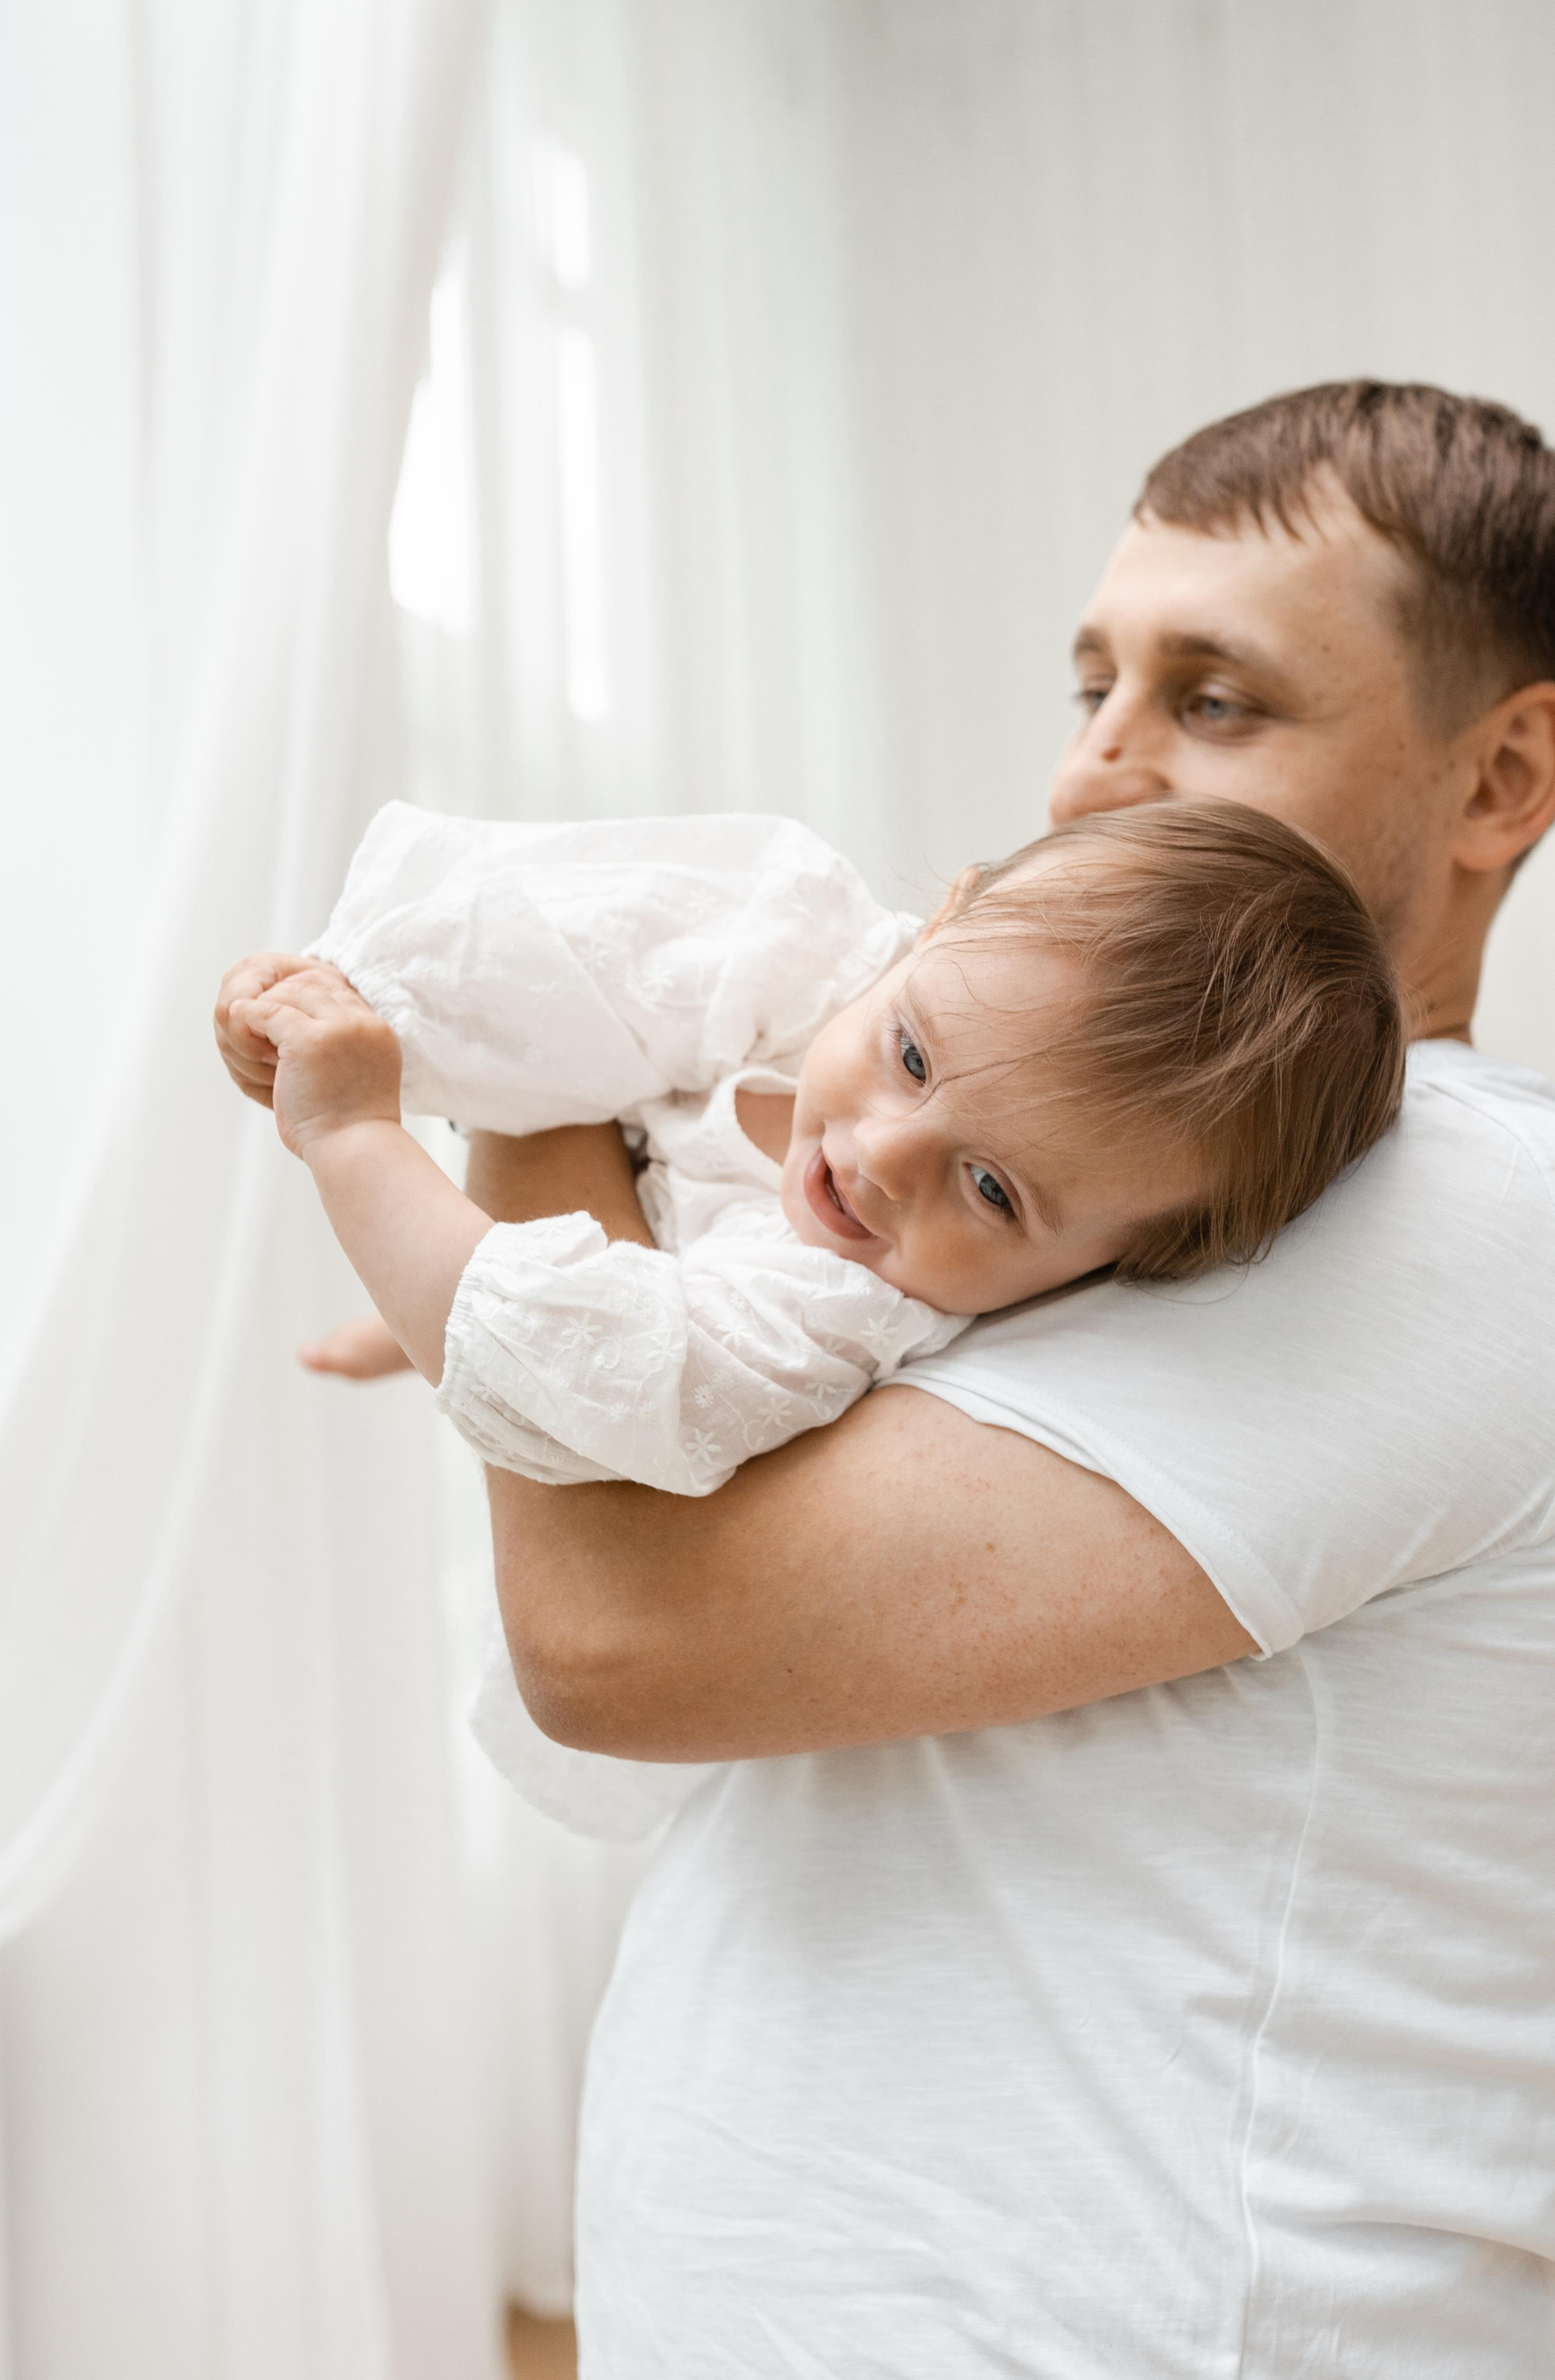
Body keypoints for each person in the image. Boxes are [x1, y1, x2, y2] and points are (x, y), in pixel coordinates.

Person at [223, 380, 1555, 2374]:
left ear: (1498, 778)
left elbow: (629, 1641)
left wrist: (546, 1079)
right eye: (1092, 681)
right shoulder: (1130, 1215)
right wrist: (580, 1280)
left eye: (1216, 702)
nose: (1099, 774)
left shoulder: (1441, 1207)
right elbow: (765, 1410)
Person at [219, 797, 1401, 1836]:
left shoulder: (832, 1308)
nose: (885, 1156)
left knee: (514, 1328)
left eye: (993, 1191)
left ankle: (442, 1306)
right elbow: (586, 946)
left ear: (1115, 1268)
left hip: (617, 1340)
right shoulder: (827, 959)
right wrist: (353, 999)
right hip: (597, 1248)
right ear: (944, 919)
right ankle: (433, 1311)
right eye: (912, 1054)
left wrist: (355, 1131)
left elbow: (581, 1370)